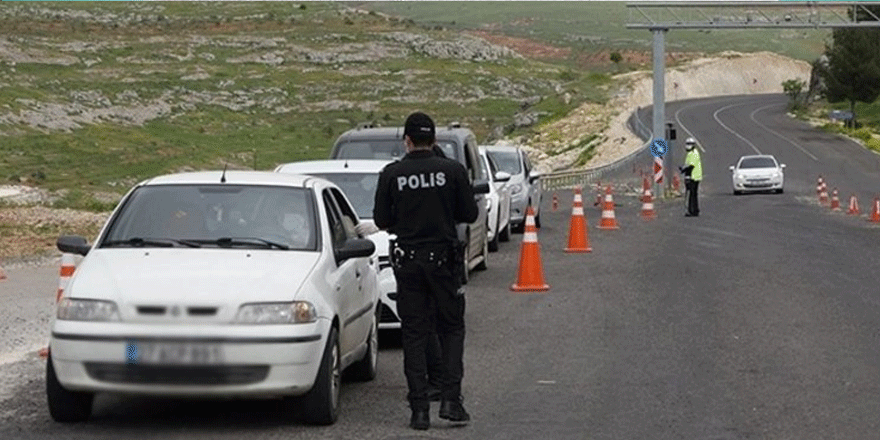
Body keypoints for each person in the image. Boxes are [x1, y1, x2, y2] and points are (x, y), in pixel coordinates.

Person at [373, 111, 478, 430]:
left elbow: (381, 220)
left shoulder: (392, 174)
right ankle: (451, 400)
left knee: (415, 334)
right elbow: (469, 213)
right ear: (433, 140)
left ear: (407, 140)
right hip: (444, 262)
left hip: (408, 262)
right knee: (451, 329)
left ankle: (419, 409)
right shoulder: (453, 170)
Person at [680, 137, 703, 217]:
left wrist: (684, 170)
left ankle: (692, 210)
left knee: (691, 195)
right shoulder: (692, 153)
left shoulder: (693, 153)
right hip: (694, 176)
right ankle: (695, 210)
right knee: (693, 194)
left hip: (693, 176)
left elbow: (691, 166)